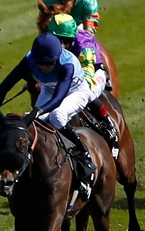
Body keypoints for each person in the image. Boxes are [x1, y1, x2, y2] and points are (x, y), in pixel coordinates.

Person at [0, 33, 95, 199]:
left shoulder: (67, 64)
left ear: (57, 58)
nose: (45, 67)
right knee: (34, 122)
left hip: (75, 91)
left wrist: (36, 112)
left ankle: (83, 151)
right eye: (41, 64)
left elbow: (58, 98)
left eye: (49, 63)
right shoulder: (29, 60)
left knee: (57, 117)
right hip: (49, 88)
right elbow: (5, 85)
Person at [48, 13, 118, 158]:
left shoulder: (83, 45)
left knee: (87, 93)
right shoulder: (52, 41)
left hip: (94, 73)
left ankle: (108, 125)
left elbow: (86, 76)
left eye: (63, 40)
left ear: (70, 38)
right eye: (56, 39)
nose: (59, 44)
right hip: (68, 75)